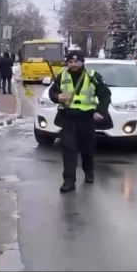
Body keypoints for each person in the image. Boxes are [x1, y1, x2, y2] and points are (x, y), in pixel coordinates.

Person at [48, 50, 111, 193]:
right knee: (68, 148)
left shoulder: (92, 76)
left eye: (76, 61)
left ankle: (89, 171)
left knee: (86, 148)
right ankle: (69, 180)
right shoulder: (62, 75)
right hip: (68, 117)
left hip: (86, 118)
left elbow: (105, 95)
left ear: (82, 62)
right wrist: (58, 97)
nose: (73, 64)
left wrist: (100, 111)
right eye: (70, 62)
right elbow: (52, 92)